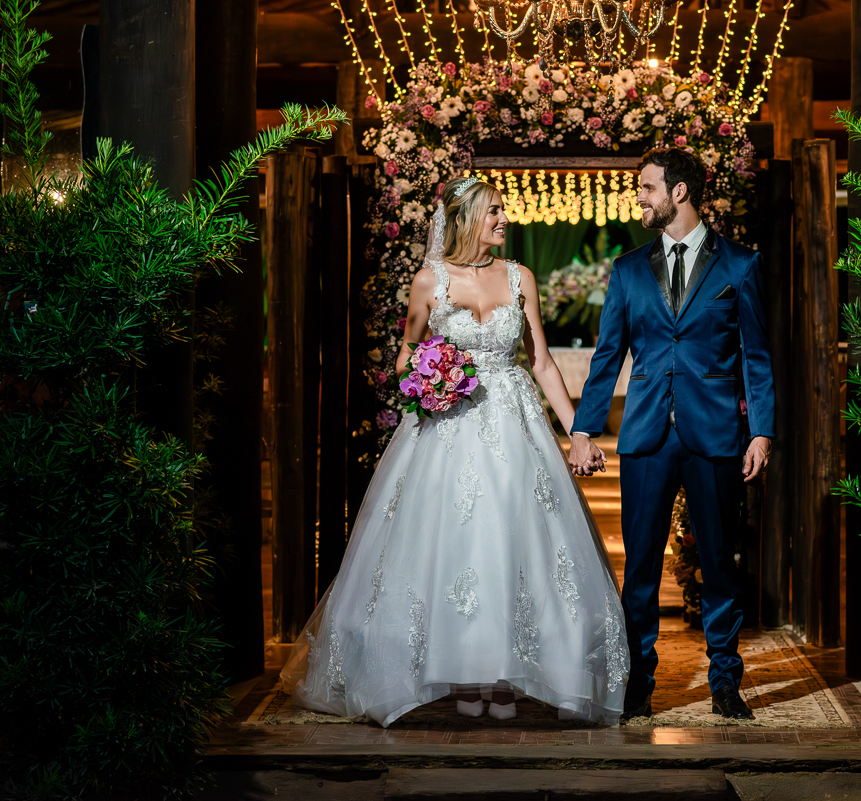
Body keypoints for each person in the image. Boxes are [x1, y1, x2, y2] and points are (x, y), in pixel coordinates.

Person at [281, 176, 629, 727]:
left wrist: (577, 433)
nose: (504, 218)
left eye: (503, 210)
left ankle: (509, 675)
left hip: (514, 425)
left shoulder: (520, 277)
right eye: (494, 211)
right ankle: (465, 673)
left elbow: (541, 362)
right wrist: (430, 381)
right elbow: (406, 355)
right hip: (449, 429)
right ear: (464, 219)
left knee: (515, 541)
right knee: (458, 544)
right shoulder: (429, 281)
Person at [568, 147, 775, 721]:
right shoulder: (628, 269)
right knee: (639, 567)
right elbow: (608, 355)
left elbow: (756, 357)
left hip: (716, 434)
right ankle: (638, 682)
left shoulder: (740, 265)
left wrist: (761, 432)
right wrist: (584, 428)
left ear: (678, 192)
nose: (639, 196)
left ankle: (725, 681)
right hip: (647, 435)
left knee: (720, 564)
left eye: (647, 187)